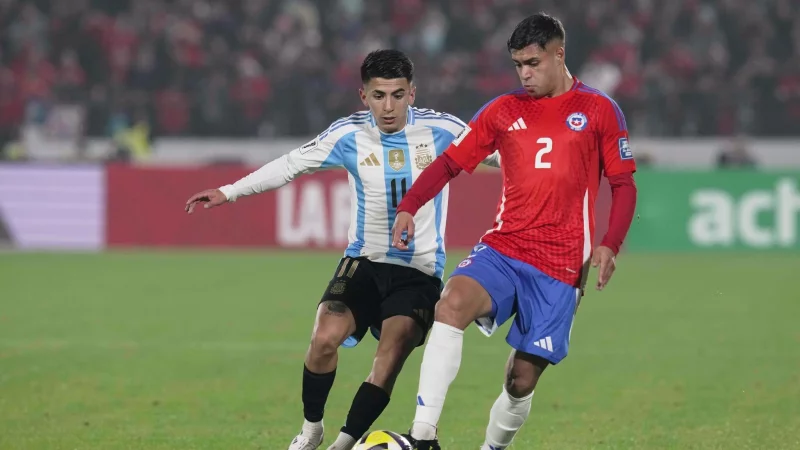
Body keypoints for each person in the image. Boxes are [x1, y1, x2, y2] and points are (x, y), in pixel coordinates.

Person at [184, 49, 500, 450]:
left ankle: (344, 444)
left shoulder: (443, 130)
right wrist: (229, 191)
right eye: (379, 95)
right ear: (363, 95)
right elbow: (290, 164)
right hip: (363, 261)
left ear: (412, 94)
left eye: (398, 95)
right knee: (324, 337)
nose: (389, 106)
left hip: (418, 272)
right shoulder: (347, 134)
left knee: (391, 353)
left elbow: (502, 156)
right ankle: (312, 429)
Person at [390, 13, 638, 450]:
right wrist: (409, 206)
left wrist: (610, 245)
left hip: (562, 266)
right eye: (518, 65)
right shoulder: (503, 111)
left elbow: (623, 184)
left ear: (559, 54)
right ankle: (422, 436)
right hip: (504, 248)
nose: (524, 74)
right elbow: (449, 162)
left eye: (533, 63)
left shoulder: (598, 110)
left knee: (520, 380)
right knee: (451, 304)